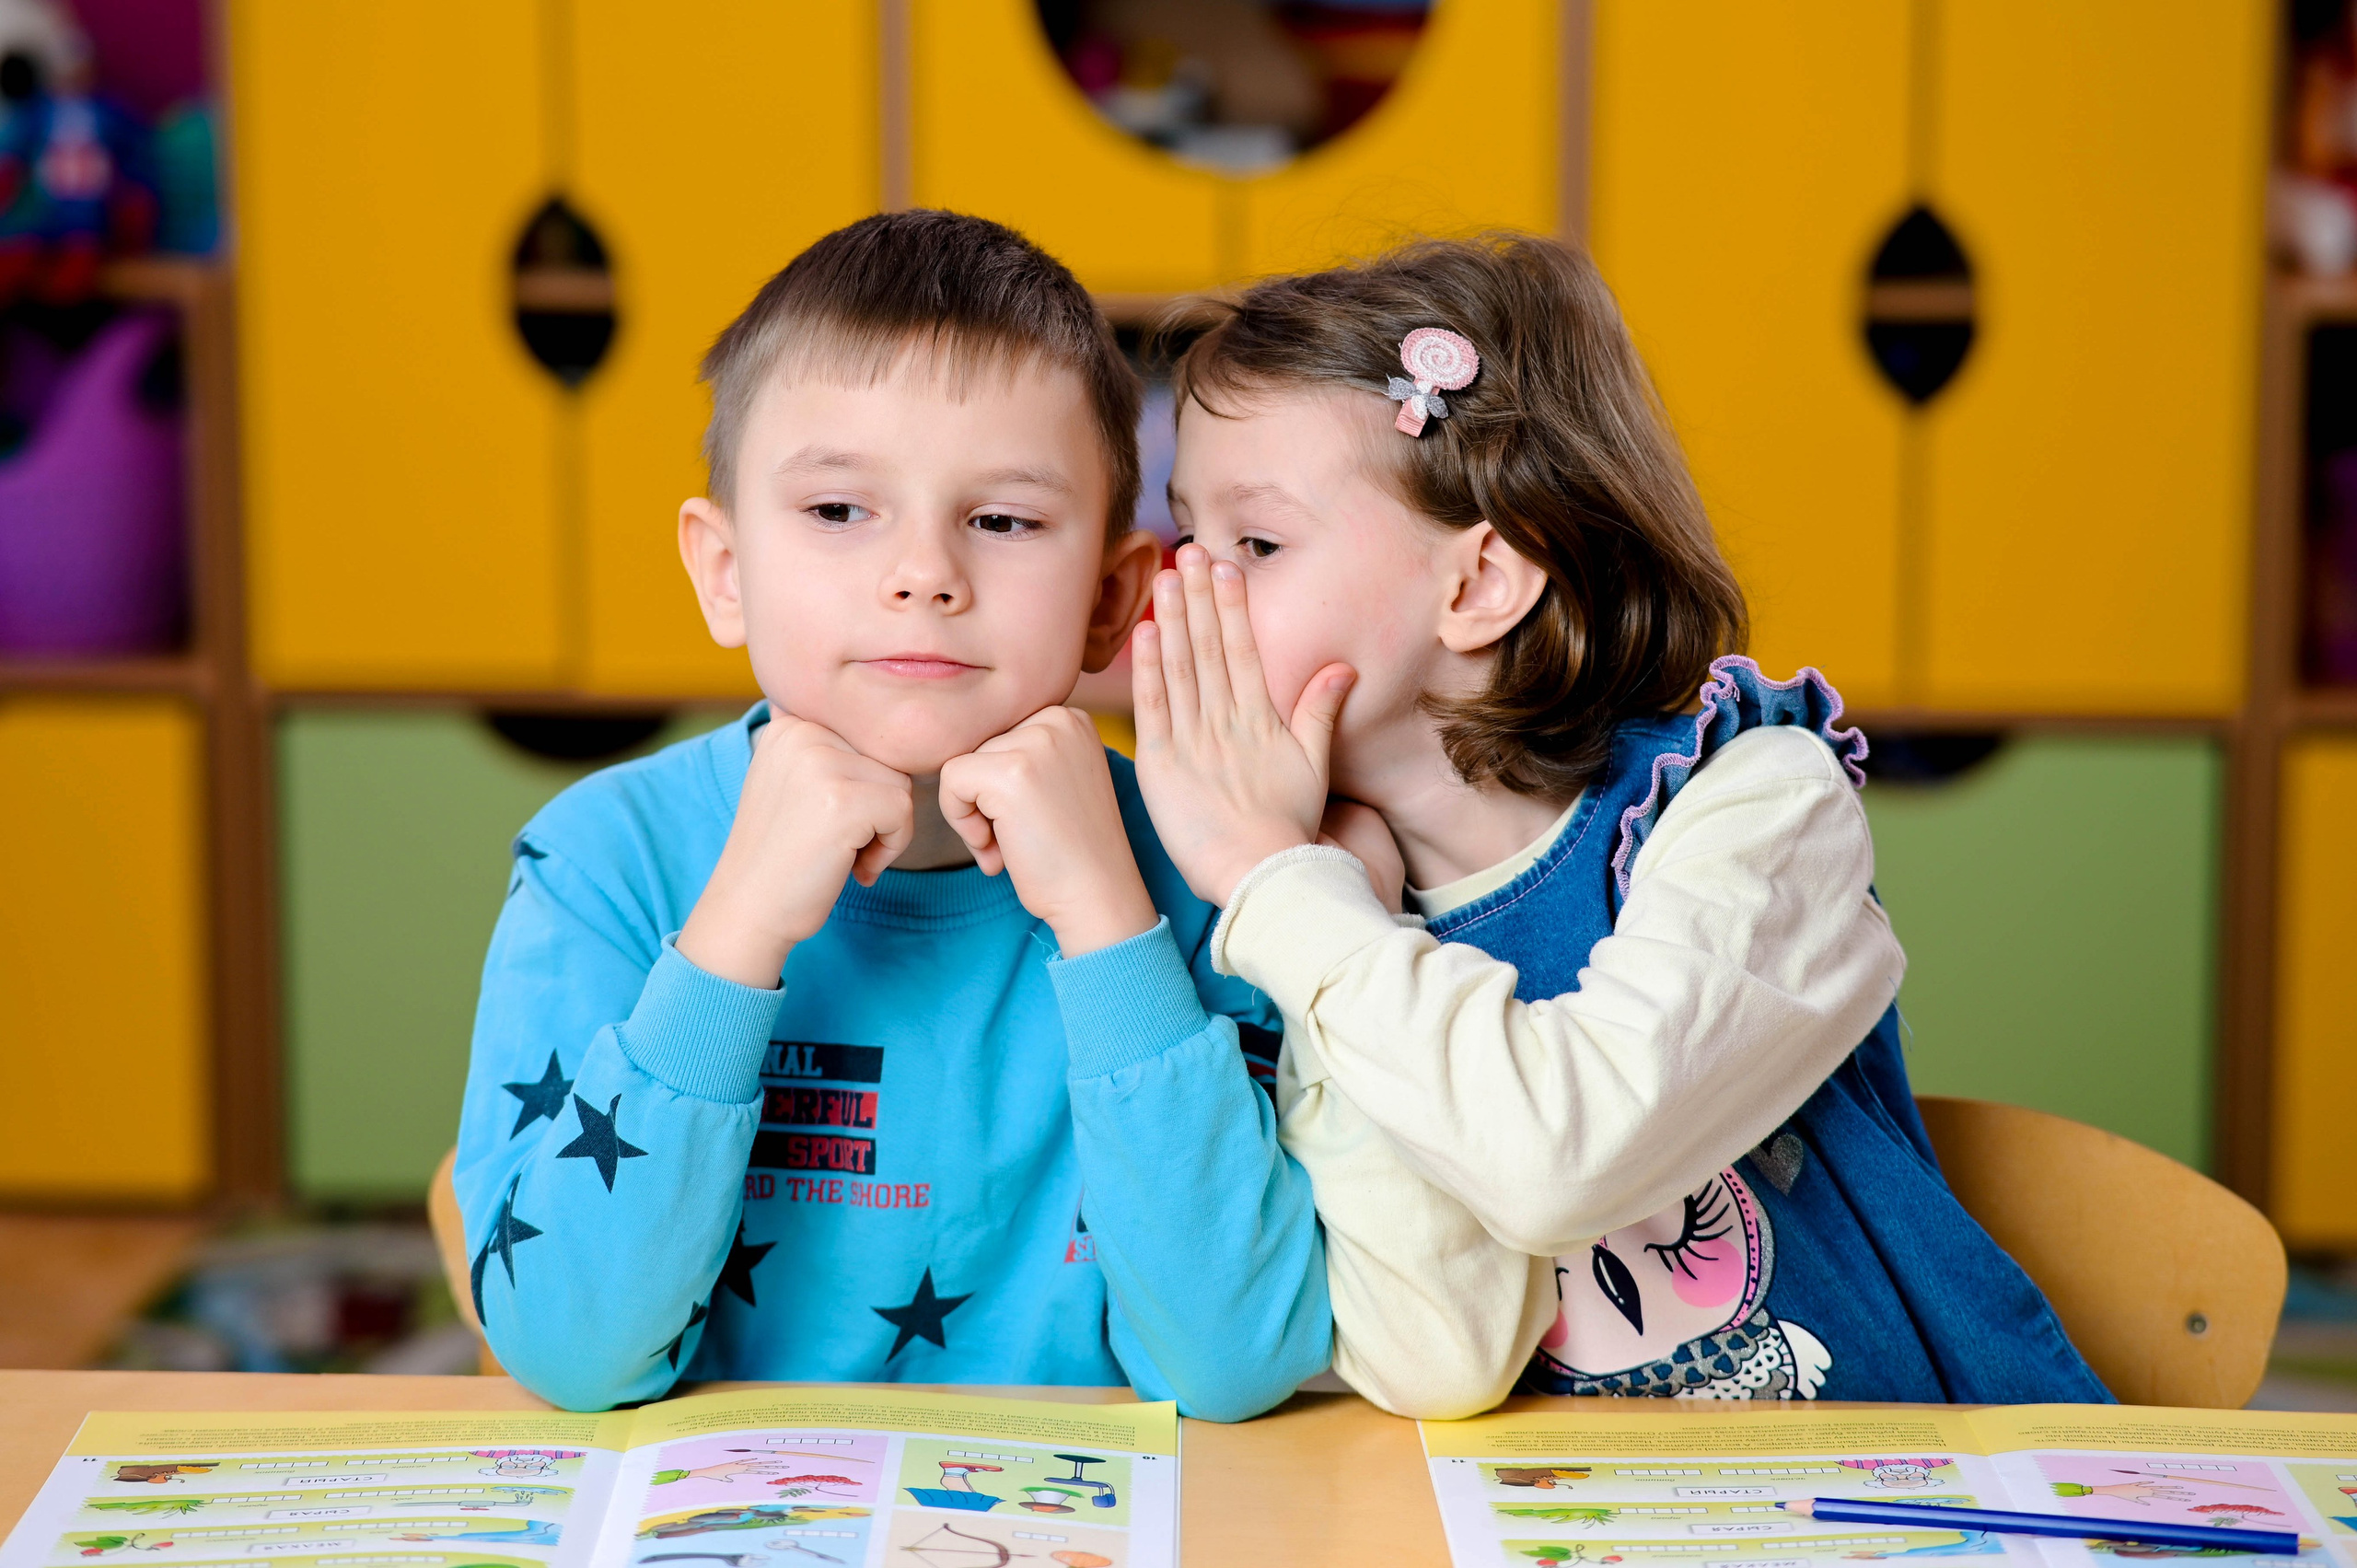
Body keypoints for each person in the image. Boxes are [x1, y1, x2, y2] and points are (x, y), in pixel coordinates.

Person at [1125, 233, 2112, 1412]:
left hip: (1931, 1479)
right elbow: (1435, 1360)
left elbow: (1562, 1161)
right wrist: (1327, 894)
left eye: (1255, 544)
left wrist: (1282, 886)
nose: (1187, 587)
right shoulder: (1329, 897)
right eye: (1187, 538)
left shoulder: (1752, 801)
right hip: (1580, 1502)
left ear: (1479, 585)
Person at [453, 210, 1328, 1415]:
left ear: (1110, 597)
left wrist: (1110, 925)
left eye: (1002, 520)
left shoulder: (1213, 865)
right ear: (724, 571)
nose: (925, 574)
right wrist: (735, 930)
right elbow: (569, 1349)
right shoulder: (605, 859)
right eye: (837, 511)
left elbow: (1231, 1366)